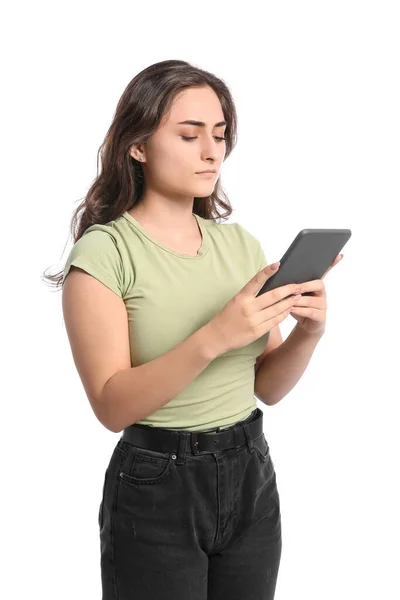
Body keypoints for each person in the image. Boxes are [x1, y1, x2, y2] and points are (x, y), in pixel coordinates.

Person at [51, 59, 305, 599]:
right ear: (137, 146)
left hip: (252, 472)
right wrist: (216, 335)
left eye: (219, 134)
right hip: (156, 483)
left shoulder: (240, 246)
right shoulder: (104, 253)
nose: (212, 151)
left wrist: (309, 331)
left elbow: (268, 386)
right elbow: (111, 406)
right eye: (189, 135)